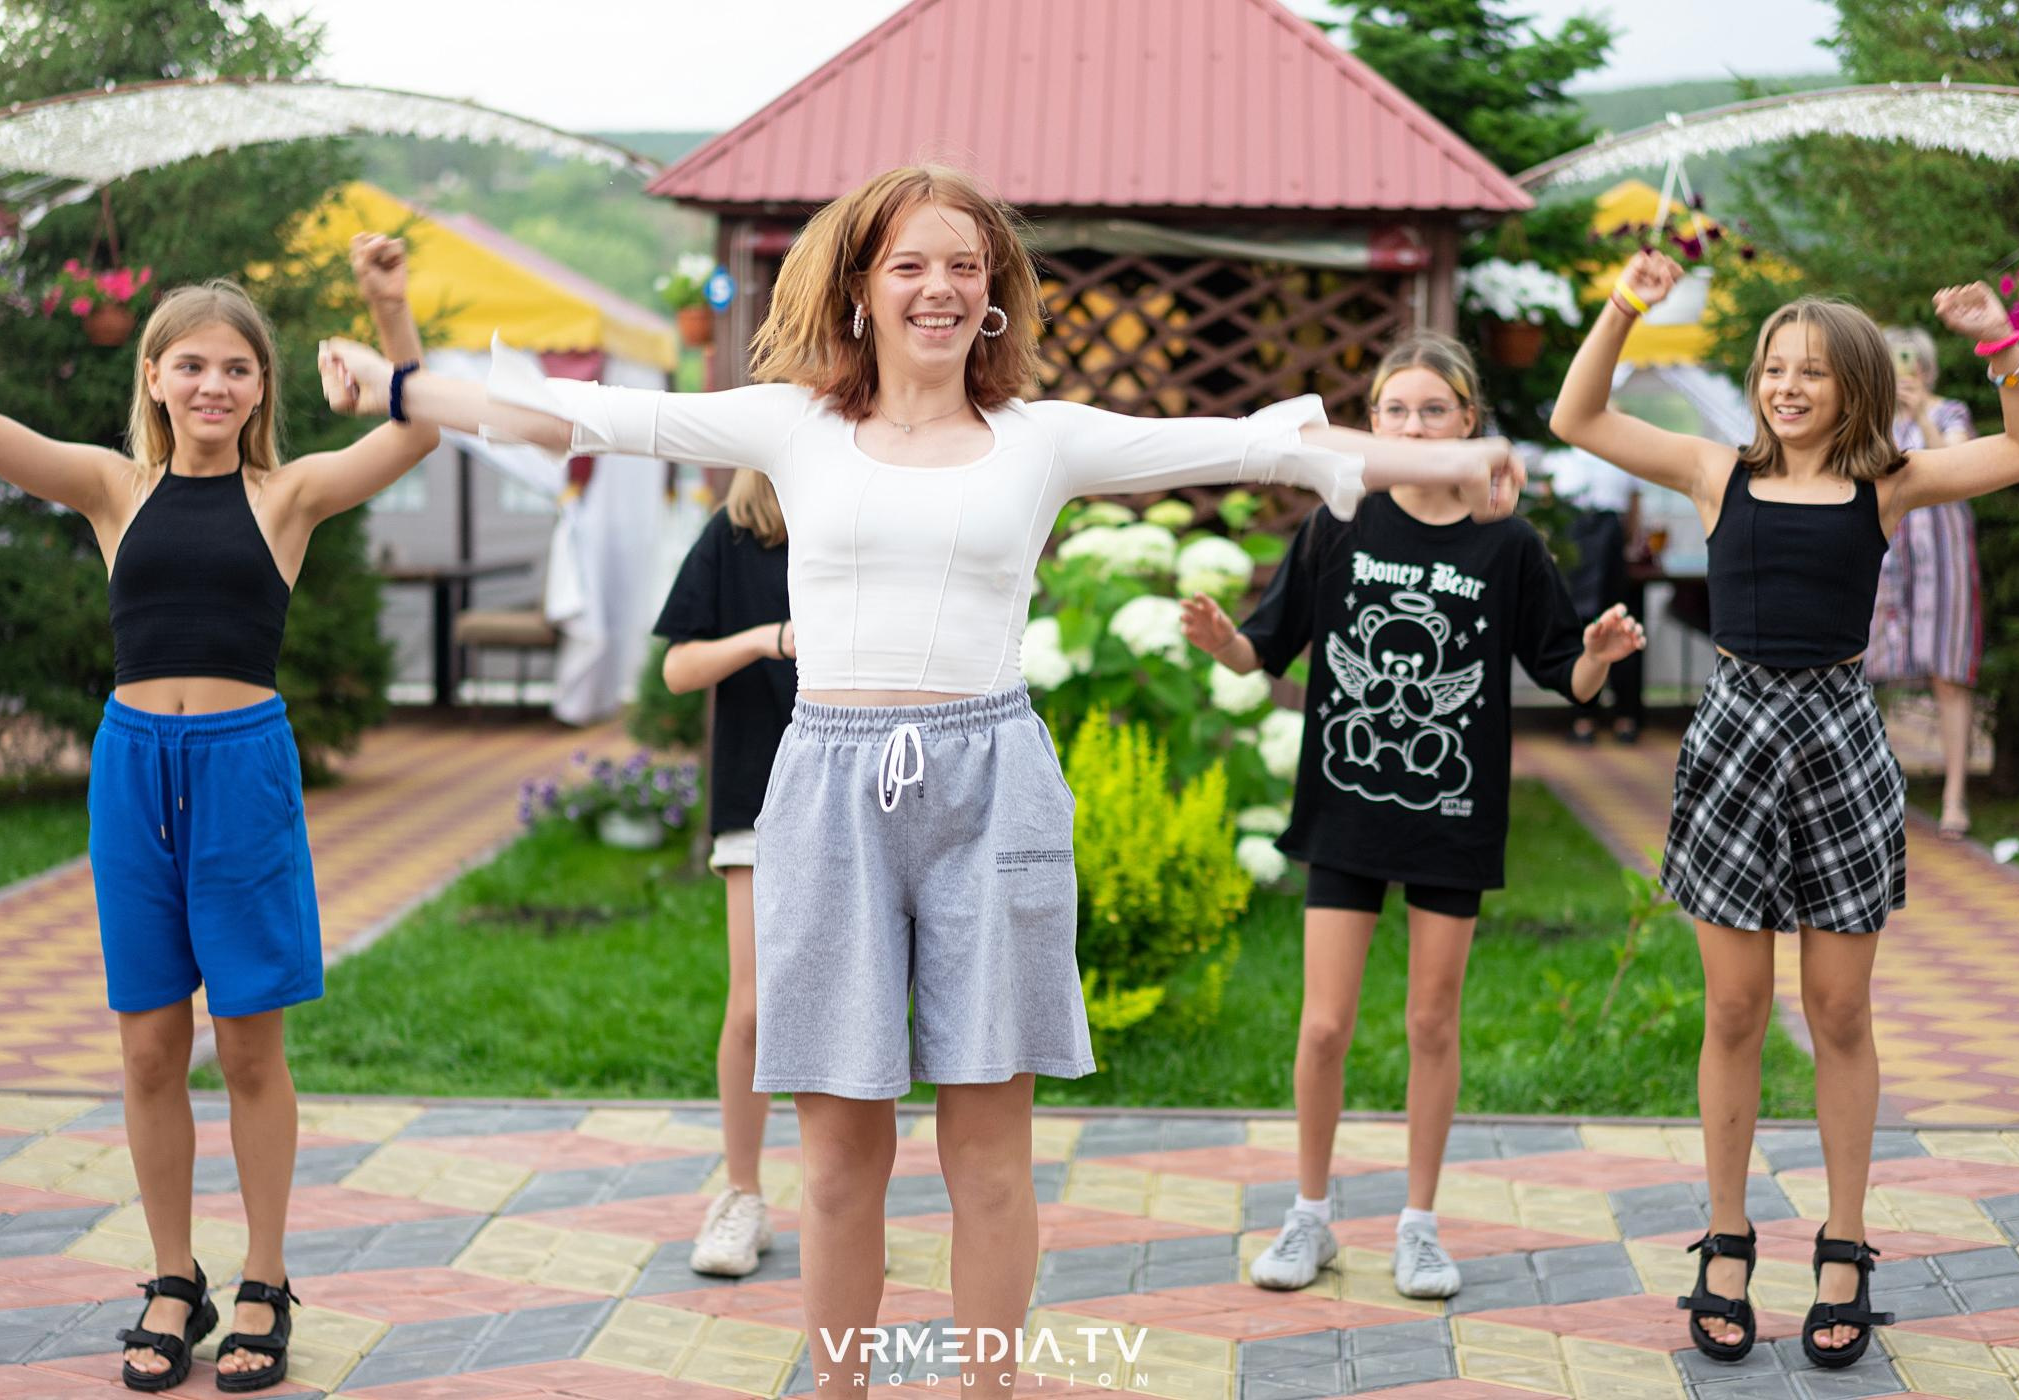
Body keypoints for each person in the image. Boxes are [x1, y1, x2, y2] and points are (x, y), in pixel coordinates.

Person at [313, 164, 1527, 1395]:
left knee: (990, 1158)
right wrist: (405, 382)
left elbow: (1259, 439)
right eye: (910, 264)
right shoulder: (794, 424)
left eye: (964, 265)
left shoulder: (1040, 438)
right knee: (841, 1158)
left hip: (991, 784)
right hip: (828, 791)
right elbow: (598, 422)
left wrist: (1464, 453)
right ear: (859, 289)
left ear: (993, 293)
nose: (939, 288)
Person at [0, 223, 438, 1393]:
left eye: (237, 366)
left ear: (261, 388)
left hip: (241, 773)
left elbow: (415, 427)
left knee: (249, 1046)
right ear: (152, 376)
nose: (212, 383)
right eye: (190, 363)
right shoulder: (117, 489)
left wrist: (390, 313)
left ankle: (264, 1277)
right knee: (150, 1044)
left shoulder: (290, 494)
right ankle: (175, 1274)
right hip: (131, 774)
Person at [1550, 249, 2019, 1370]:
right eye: (1775, 366)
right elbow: (1579, 415)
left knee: (1840, 1012)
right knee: (1733, 1012)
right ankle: (1725, 1239)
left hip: (1841, 745)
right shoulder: (1717, 470)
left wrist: (1998, 343)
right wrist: (1626, 304)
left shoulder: (1888, 484)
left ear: (1854, 384)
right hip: (1733, 737)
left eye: (1813, 371)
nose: (1789, 386)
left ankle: (1846, 1247)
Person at [1183, 331, 1643, 1301]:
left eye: (1433, 410)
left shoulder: (1507, 543)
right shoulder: (1338, 523)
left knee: (1434, 1019)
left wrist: (1600, 651)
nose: (1412, 425)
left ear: (1467, 424)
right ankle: (1309, 1213)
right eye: (1395, 411)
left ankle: (1419, 1225)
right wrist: (1225, 639)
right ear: (1374, 425)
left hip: (1451, 815)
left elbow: (1564, 668)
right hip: (1345, 809)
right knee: (1323, 1024)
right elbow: (1265, 651)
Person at [653, 468, 794, 1276]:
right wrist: (769, 639)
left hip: (874, 794)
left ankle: (848, 1208)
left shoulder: (877, 511)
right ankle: (742, 1194)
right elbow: (679, 669)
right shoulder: (735, 533)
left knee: (855, 1008)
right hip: (760, 796)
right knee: (753, 1010)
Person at [1868, 325, 1982, 838]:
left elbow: (1962, 468)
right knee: (1867, 671)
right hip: (1885, 561)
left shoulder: (1948, 412)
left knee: (1948, 675)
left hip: (1945, 564)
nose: (1903, 370)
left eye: (1909, 361)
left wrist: (1920, 419)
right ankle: (1870, 793)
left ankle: (1955, 797)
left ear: (1926, 367)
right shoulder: (1874, 423)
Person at [1549, 445, 1648, 744]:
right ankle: (1584, 716)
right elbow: (1549, 501)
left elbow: (1633, 508)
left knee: (1619, 623)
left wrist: (1629, 546)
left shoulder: (1621, 447)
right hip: (1573, 534)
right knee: (1578, 628)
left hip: (1608, 538)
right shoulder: (1559, 450)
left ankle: (1625, 713)